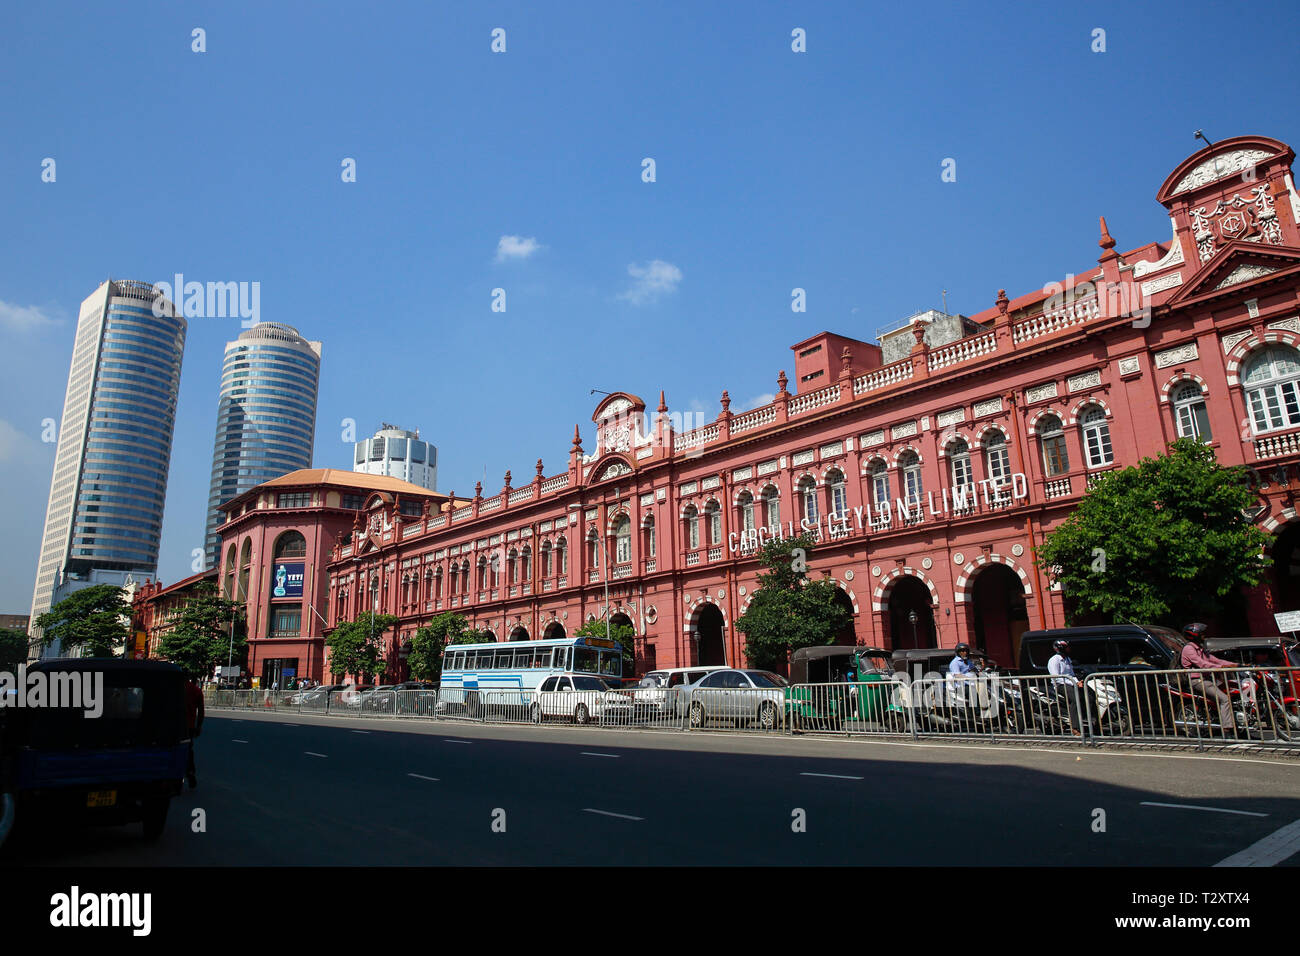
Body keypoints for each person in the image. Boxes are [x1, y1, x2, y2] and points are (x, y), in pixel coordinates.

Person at [1179, 623, 1256, 737]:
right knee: (1225, 699)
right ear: (1194, 635)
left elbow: (1216, 660)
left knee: (1234, 694)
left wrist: (1237, 665)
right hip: (1198, 681)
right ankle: (1227, 730)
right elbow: (1203, 664)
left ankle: (1239, 726)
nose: (1204, 636)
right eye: (1201, 633)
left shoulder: (1200, 649)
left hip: (1209, 679)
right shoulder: (1189, 649)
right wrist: (1221, 668)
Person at [1047, 639, 1084, 735]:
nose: (1068, 649)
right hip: (1060, 685)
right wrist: (1073, 683)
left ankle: (1094, 723)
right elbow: (1056, 678)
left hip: (1071, 682)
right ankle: (1075, 727)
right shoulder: (1054, 660)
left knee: (1089, 696)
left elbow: (1071, 674)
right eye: (1066, 648)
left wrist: (1077, 682)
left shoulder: (1068, 659)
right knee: (1076, 699)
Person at [184, 673, 205, 790]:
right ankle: (190, 771)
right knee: (188, 750)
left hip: (174, 726)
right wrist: (199, 726)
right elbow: (201, 710)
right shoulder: (196, 690)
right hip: (189, 726)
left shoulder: (172, 688)